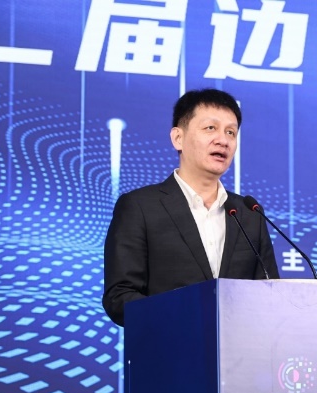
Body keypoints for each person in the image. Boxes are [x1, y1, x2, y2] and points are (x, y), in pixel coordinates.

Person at [102, 88, 279, 326]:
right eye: (210, 128)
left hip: (240, 348)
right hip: (170, 345)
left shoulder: (249, 213)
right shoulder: (140, 207)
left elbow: (269, 294)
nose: (223, 140)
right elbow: (120, 297)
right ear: (178, 138)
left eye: (231, 132)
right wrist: (185, 318)